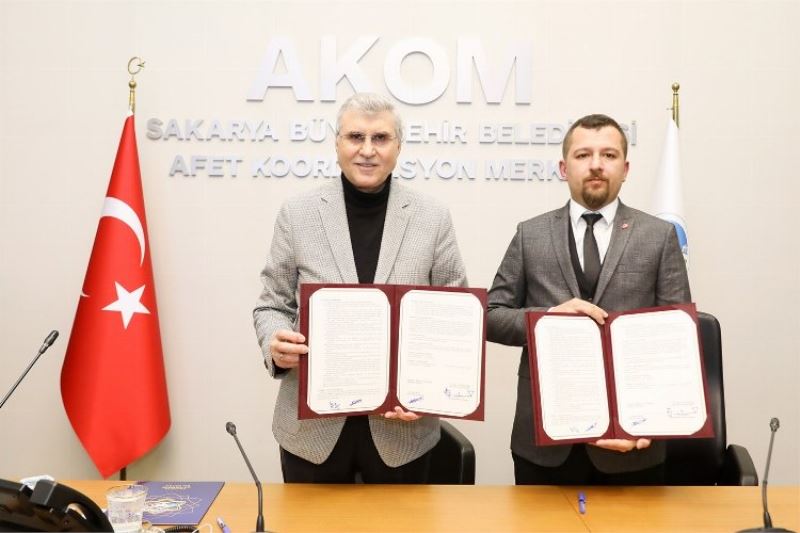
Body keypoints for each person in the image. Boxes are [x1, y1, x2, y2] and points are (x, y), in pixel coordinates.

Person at [253, 93, 467, 483]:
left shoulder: (433, 217)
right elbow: (271, 304)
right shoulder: (297, 213)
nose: (367, 150)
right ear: (337, 144)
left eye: (380, 138)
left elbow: (454, 316)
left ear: (398, 146)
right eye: (355, 137)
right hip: (312, 432)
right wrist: (275, 342)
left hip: (402, 430)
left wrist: (432, 391)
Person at [487, 113, 691, 485]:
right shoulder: (530, 234)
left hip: (632, 439)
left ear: (625, 169)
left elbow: (677, 338)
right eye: (583, 155)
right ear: (564, 168)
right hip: (545, 442)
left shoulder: (659, 236)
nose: (596, 164)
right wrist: (548, 318)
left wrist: (653, 421)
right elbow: (491, 316)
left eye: (608, 155)